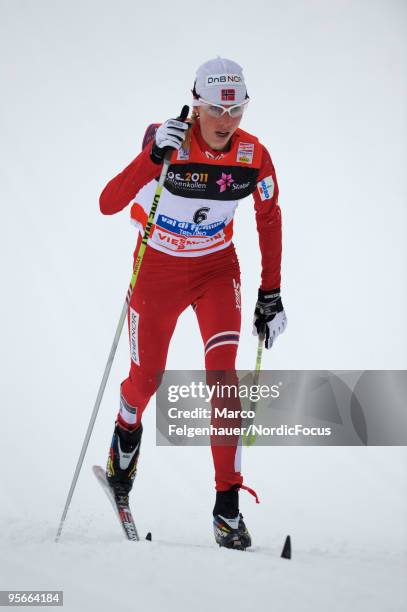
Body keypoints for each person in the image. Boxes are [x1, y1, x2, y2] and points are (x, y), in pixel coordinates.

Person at [99, 57, 287, 550]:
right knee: (147, 381)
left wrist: (272, 291)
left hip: (215, 271)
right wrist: (150, 158)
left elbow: (269, 217)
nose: (226, 122)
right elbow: (108, 202)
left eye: (237, 110)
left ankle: (227, 509)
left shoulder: (254, 155)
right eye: (216, 110)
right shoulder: (167, 144)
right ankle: (125, 439)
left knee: (222, 382)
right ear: (197, 104)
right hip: (157, 272)